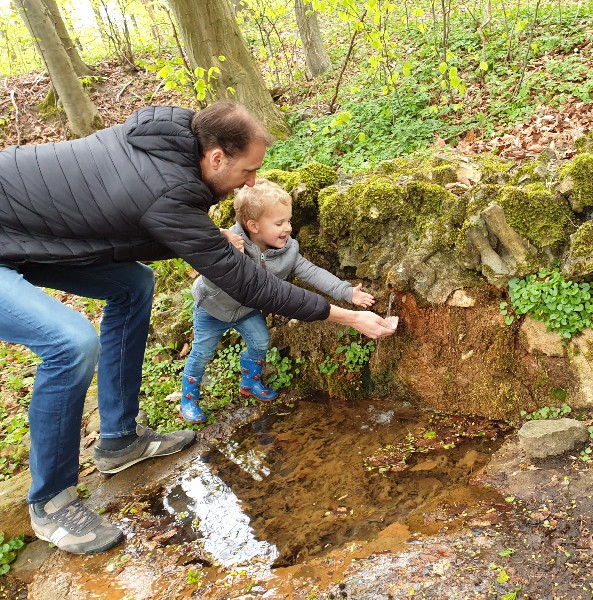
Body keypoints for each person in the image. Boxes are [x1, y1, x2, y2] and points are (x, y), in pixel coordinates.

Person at [0, 101, 398, 556]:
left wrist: (208, 240)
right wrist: (345, 315)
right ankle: (51, 502)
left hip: (28, 233)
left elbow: (133, 221)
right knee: (71, 342)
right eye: (248, 171)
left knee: (133, 284)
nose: (251, 181)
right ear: (216, 158)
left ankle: (118, 441)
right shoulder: (165, 189)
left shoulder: (178, 143)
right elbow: (250, 284)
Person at [180, 180, 376, 423]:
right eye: (279, 223)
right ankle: (189, 398)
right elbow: (200, 256)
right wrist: (224, 248)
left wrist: (347, 292)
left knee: (261, 340)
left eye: (289, 221)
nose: (288, 228)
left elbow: (312, 272)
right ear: (253, 226)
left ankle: (250, 381)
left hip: (247, 311)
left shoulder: (288, 251)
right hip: (212, 309)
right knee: (202, 352)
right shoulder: (230, 243)